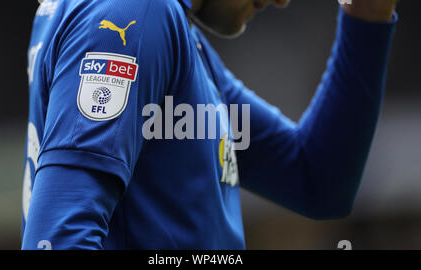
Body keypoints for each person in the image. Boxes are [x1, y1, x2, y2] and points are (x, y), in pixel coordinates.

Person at [21, 0, 399, 250]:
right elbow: (57, 240)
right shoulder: (134, 11)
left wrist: (368, 13)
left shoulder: (172, 33)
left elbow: (315, 180)